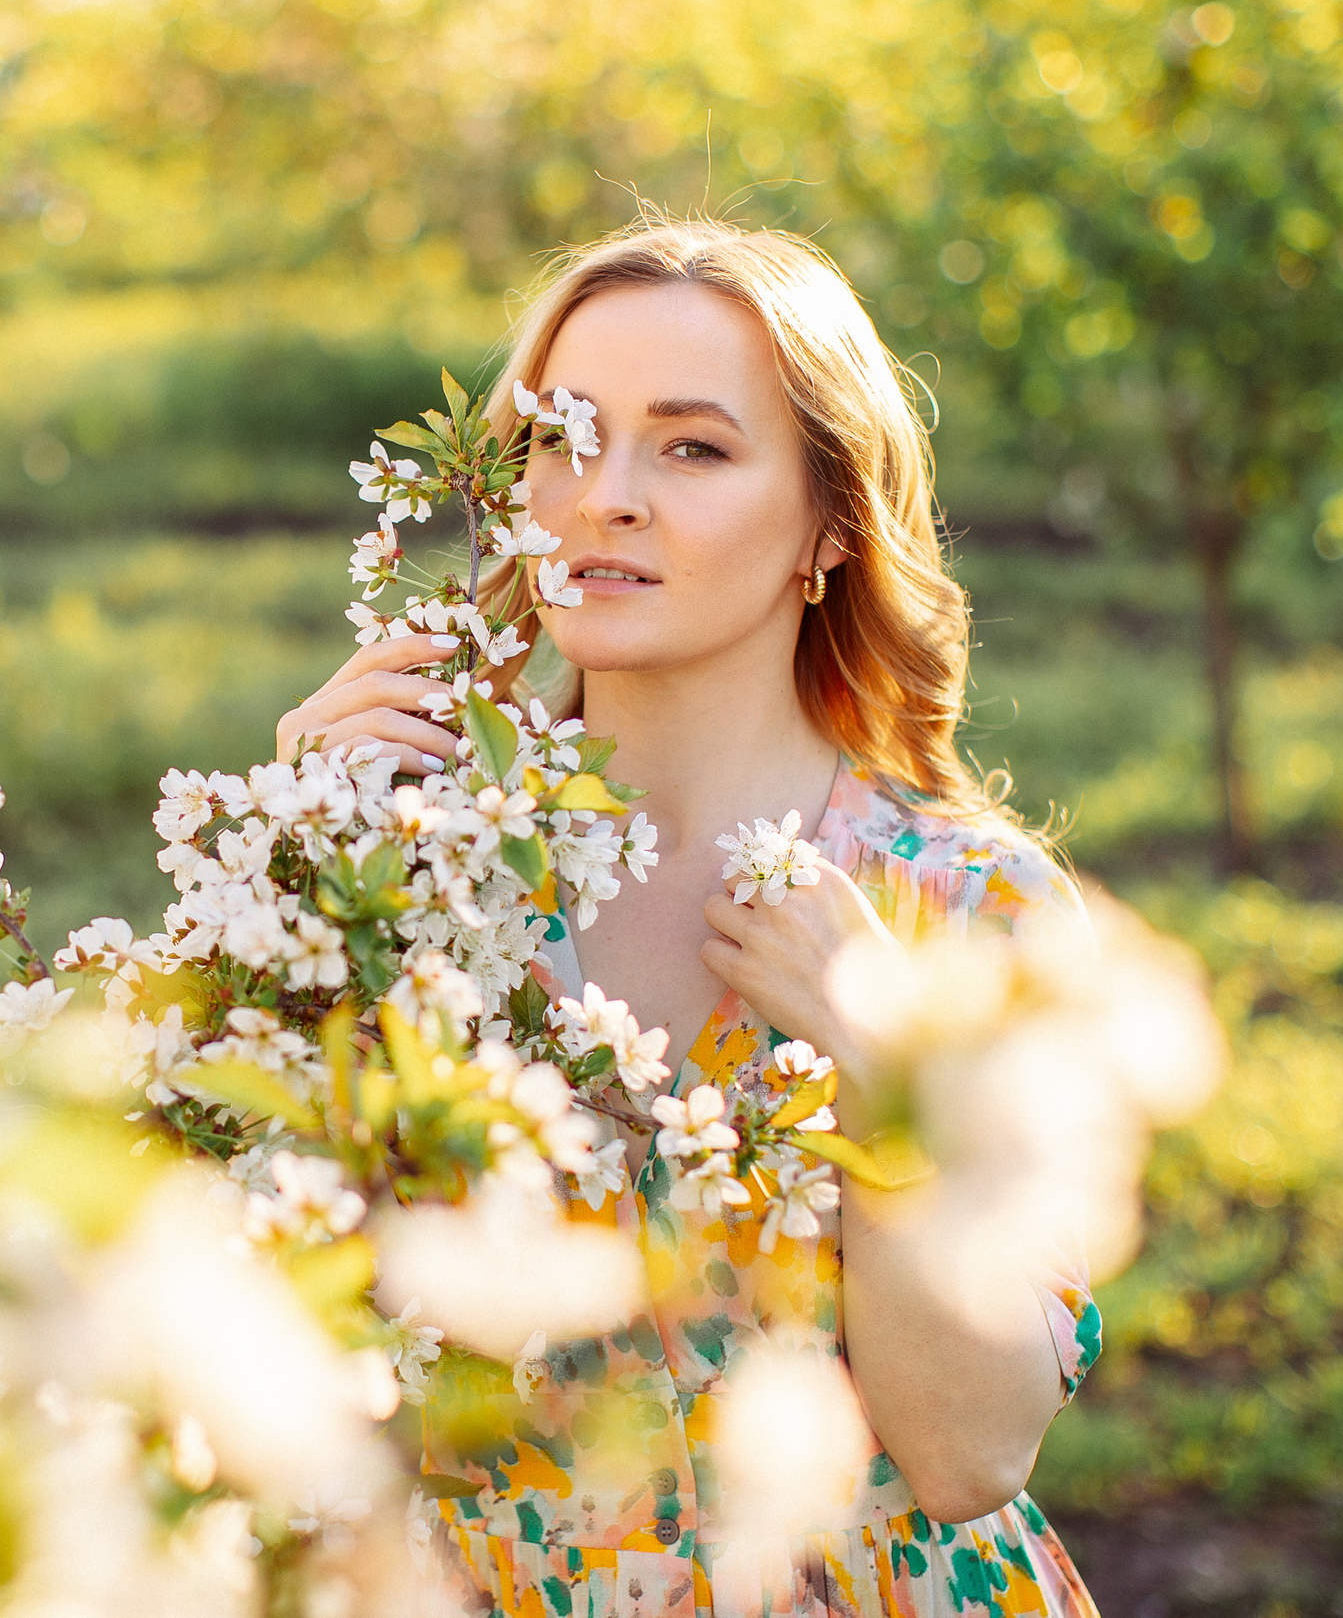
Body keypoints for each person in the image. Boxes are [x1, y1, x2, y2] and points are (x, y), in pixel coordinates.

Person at [275, 219, 1104, 1616]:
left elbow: (972, 1453)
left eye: (693, 448)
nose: (603, 498)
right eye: (562, 440)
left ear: (830, 522)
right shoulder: (396, 864)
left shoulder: (970, 910)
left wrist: (880, 1067)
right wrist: (293, 888)